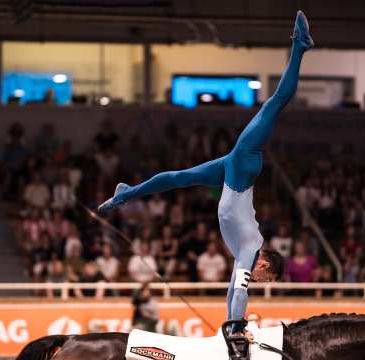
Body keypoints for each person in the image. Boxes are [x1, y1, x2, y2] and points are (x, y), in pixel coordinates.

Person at [99, 10, 313, 337]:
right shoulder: (250, 248)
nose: (260, 282)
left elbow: (232, 290)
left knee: (178, 178)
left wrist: (230, 326)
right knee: (275, 102)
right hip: (241, 170)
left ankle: (127, 192)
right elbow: (241, 290)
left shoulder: (246, 251)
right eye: (266, 279)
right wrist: (237, 329)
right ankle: (300, 46)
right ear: (266, 265)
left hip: (232, 174)